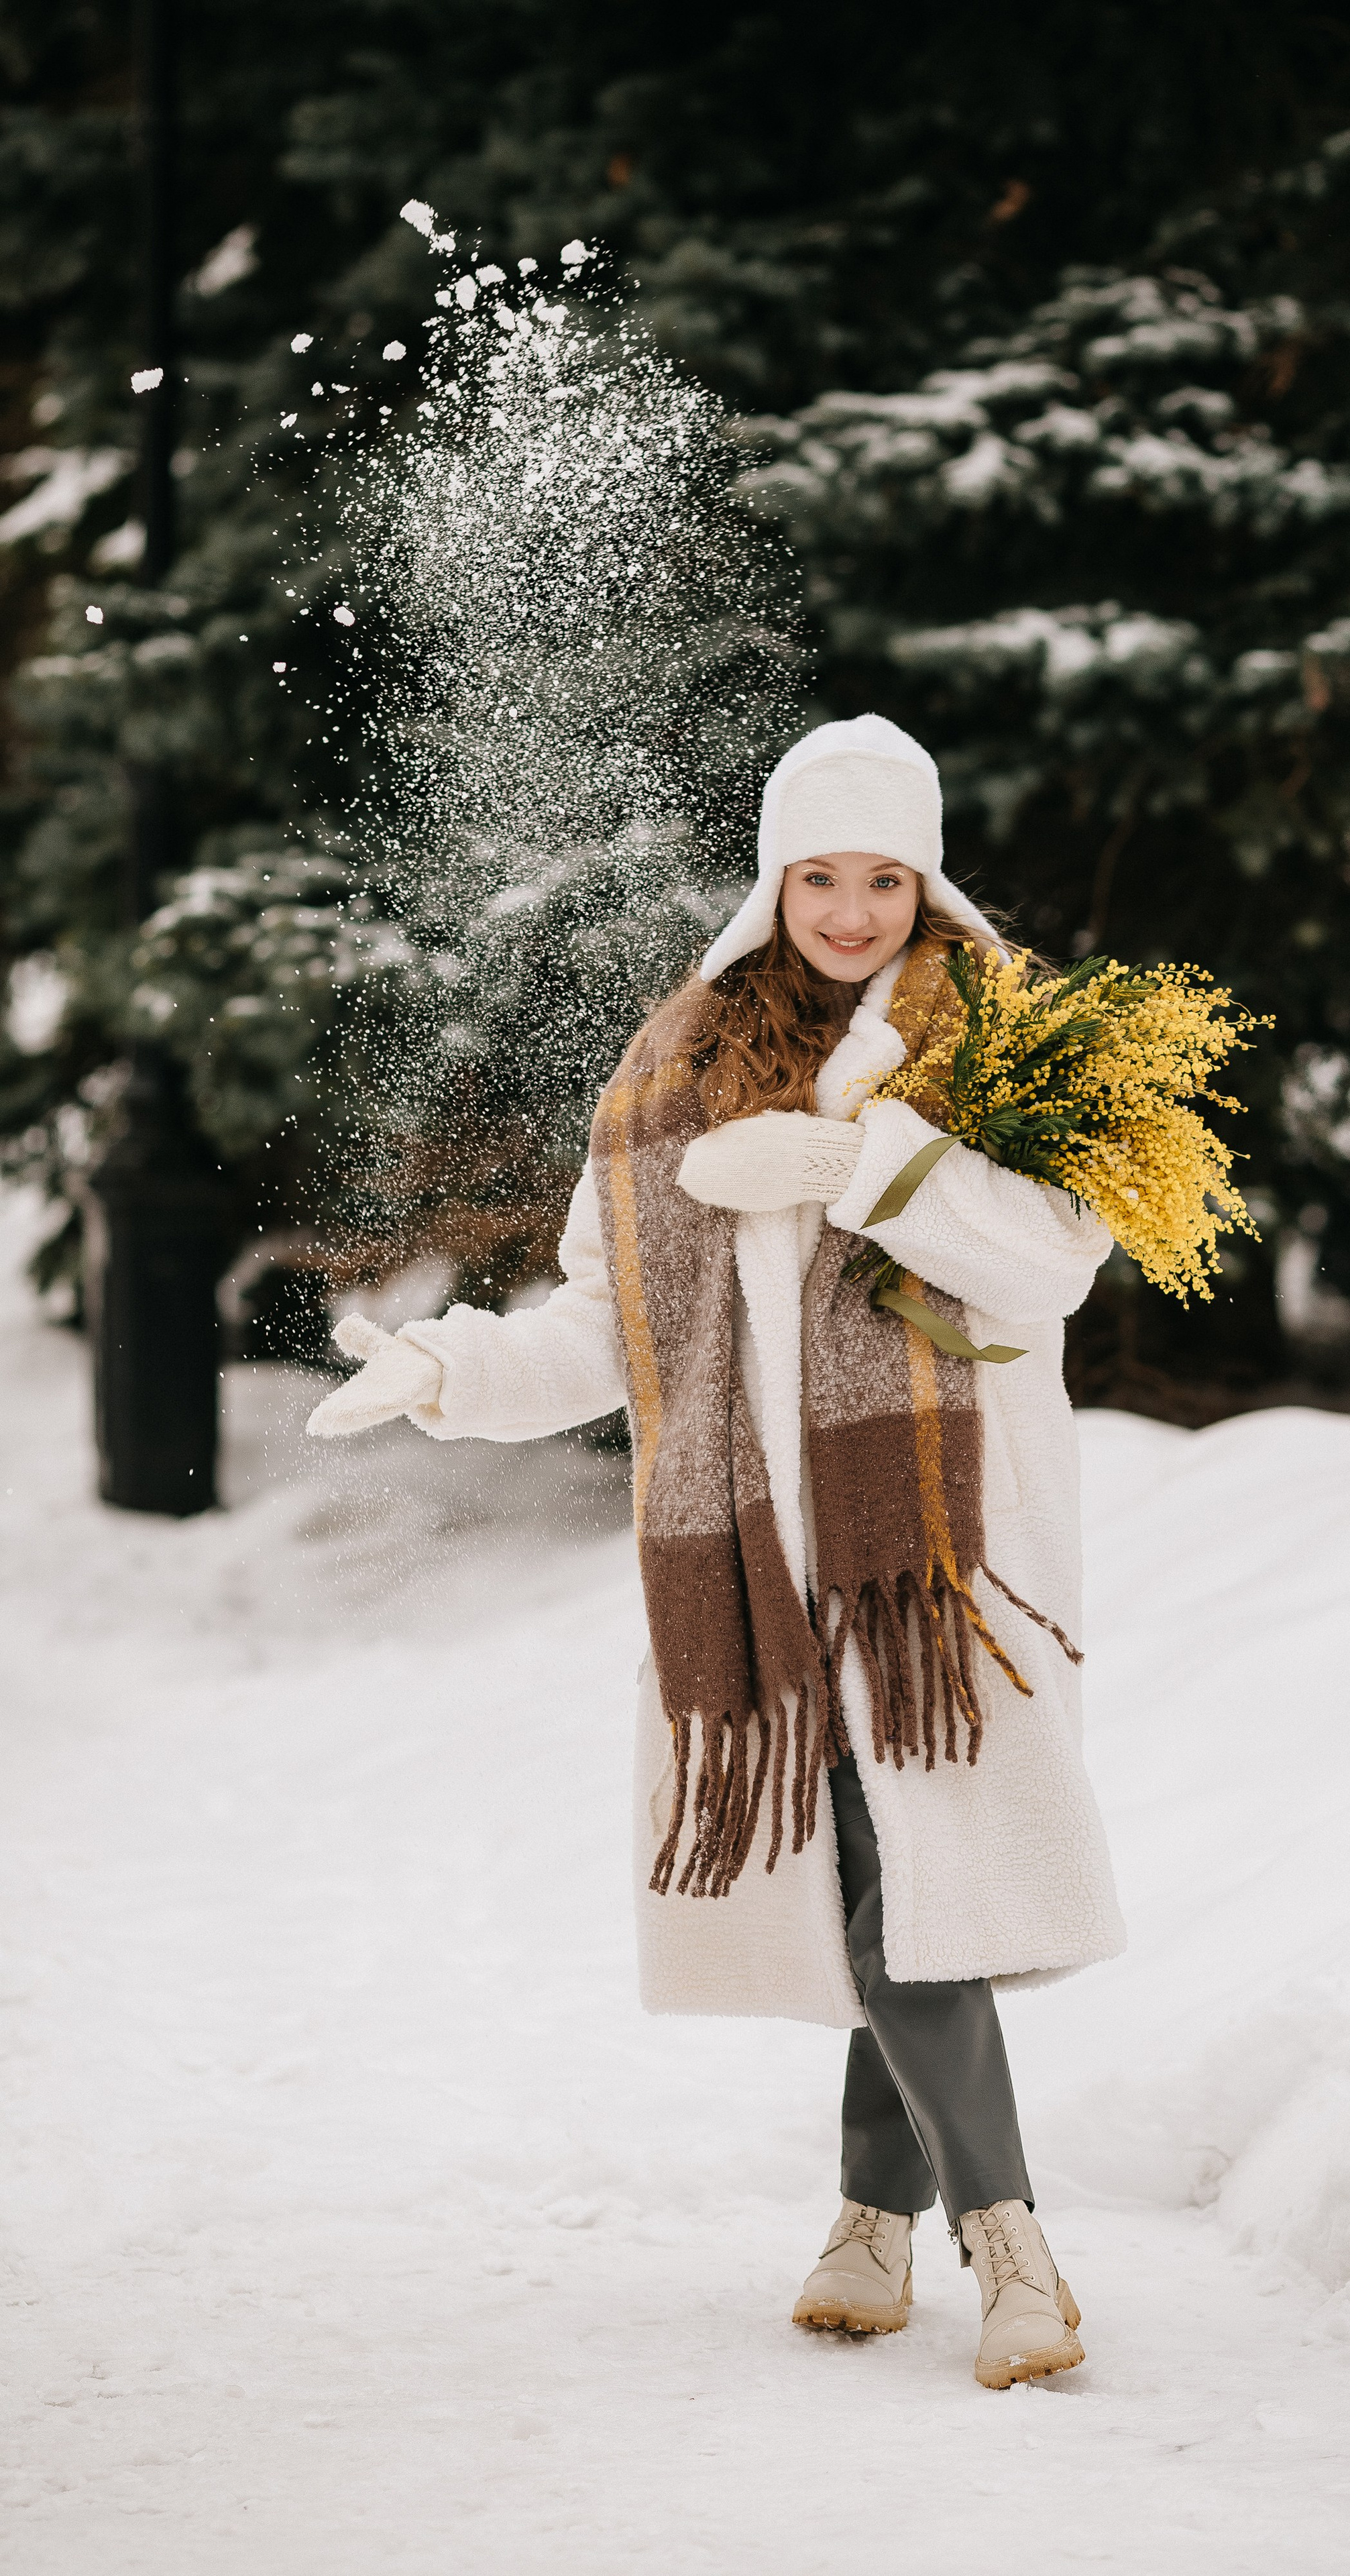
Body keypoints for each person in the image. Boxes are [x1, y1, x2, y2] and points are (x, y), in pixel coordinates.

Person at [308, 712, 1126, 2388]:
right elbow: (611, 1332)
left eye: (882, 877)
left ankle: (1002, 2249)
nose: (848, 911)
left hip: (940, 1570)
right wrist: (449, 1368)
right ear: (772, 880)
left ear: (926, 879)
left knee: (905, 1899)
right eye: (817, 876)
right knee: (870, 1886)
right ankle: (874, 2226)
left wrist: (858, 1160)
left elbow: (1050, 1267)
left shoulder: (1000, 1045)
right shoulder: (669, 1070)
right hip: (756, 1568)